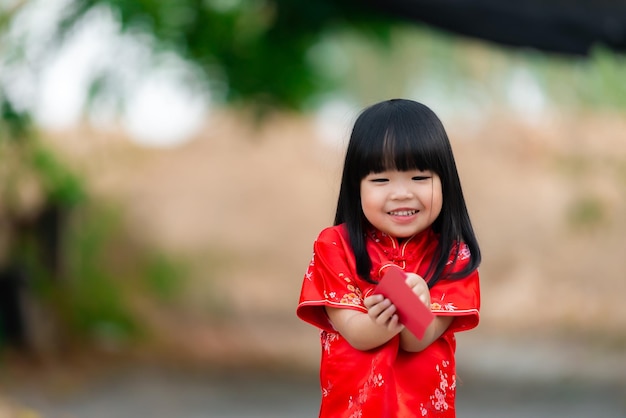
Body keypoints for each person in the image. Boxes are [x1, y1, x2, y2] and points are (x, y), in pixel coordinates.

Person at [296, 98, 481, 418]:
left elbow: (416, 341)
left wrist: (414, 305)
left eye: (419, 178)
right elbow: (354, 330)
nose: (400, 193)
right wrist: (384, 317)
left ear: (445, 182)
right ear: (357, 188)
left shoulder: (453, 256)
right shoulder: (335, 246)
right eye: (381, 180)